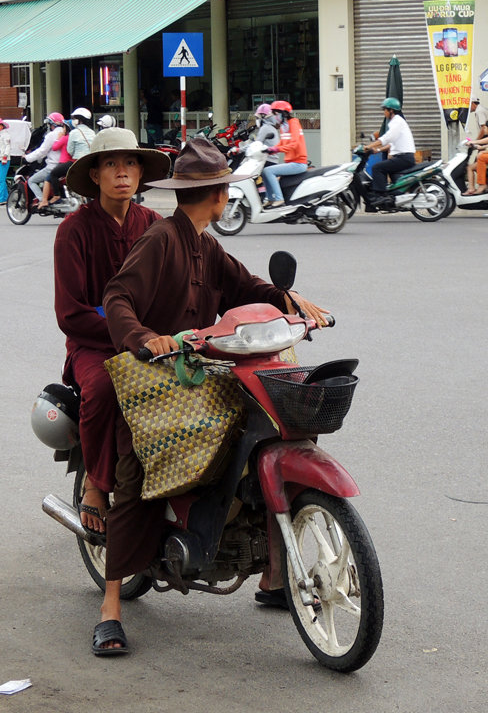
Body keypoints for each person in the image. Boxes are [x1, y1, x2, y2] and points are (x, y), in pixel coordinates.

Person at [95, 137, 329, 657]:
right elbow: (116, 297)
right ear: (219, 195)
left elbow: (248, 286)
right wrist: (144, 339)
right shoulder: (161, 240)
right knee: (139, 477)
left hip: (201, 370)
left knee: (257, 436)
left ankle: (273, 575)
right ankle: (110, 607)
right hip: (154, 377)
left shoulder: (205, 242)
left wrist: (292, 304)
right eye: (227, 191)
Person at [52, 128, 167, 545]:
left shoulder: (154, 224)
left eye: (131, 163)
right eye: (111, 164)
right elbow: (70, 313)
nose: (122, 173)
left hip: (151, 341)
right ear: (95, 175)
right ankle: (97, 485)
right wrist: (128, 334)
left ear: (140, 174)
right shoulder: (74, 230)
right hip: (93, 345)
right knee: (103, 390)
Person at [363, 97, 416, 210]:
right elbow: (391, 143)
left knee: (377, 168)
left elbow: (387, 138)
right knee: (389, 173)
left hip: (404, 158)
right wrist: (376, 150)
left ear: (391, 110)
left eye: (385, 110)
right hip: (404, 157)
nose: (384, 112)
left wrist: (369, 146)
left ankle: (381, 196)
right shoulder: (397, 122)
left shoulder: (397, 122)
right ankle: (394, 200)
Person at [259, 100, 308, 208]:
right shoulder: (283, 126)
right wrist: (270, 149)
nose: (275, 116)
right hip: (290, 162)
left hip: (298, 163)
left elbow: (294, 144)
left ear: (284, 113)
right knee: (264, 171)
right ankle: (270, 199)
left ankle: (278, 199)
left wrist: (276, 149)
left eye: (276, 113)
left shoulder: (293, 123)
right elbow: (282, 142)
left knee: (268, 171)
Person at [24, 112, 65, 205]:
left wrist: (28, 158)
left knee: (31, 181)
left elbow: (42, 151)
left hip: (53, 166)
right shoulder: (66, 133)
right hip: (64, 165)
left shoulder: (51, 135)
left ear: (51, 124)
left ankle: (42, 200)